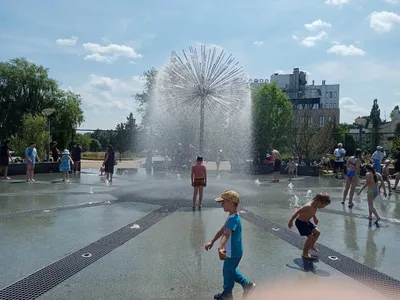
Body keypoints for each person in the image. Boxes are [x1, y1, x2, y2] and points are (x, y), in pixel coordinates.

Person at [205, 190, 256, 300]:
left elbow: (227, 234)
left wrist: (221, 246)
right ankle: (247, 285)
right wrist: (212, 241)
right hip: (235, 251)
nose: (221, 205)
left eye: (223, 202)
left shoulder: (233, 219)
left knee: (227, 272)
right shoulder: (232, 216)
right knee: (230, 270)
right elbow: (222, 230)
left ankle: (227, 295)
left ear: (231, 203)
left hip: (233, 252)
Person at [288, 192, 331, 260]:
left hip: (307, 222)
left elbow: (312, 212)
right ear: (320, 202)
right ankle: (305, 253)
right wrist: (291, 221)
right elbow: (298, 211)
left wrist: (314, 218)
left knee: (317, 232)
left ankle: (311, 246)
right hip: (301, 223)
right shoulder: (308, 206)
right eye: (324, 205)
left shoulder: (315, 205)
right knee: (310, 237)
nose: (324, 207)